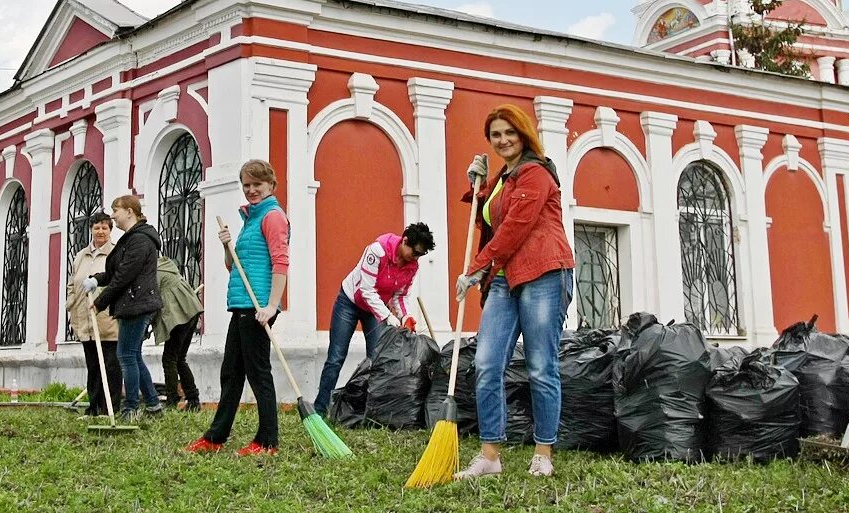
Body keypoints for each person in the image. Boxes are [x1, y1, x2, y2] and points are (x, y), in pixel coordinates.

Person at [453, 104, 575, 479]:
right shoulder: (504, 179)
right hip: (505, 279)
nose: (503, 140)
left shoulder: (536, 173)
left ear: (523, 134)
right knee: (487, 363)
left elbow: (516, 229)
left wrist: (476, 267)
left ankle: (543, 452)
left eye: (510, 132)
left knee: (541, 367)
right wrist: (478, 187)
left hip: (543, 273)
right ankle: (490, 455)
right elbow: (490, 222)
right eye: (495, 135)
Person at [187, 159, 289, 457]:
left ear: (271, 184)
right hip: (242, 305)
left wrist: (271, 306)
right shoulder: (251, 220)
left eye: (257, 184)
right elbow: (233, 266)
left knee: (259, 374)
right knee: (231, 373)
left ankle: (268, 442)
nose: (251, 190)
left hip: (258, 307)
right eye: (246, 185)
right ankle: (216, 437)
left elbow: (281, 262)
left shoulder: (272, 217)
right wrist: (226, 245)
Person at [312, 222, 435, 416]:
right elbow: (366, 290)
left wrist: (406, 316)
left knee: (376, 360)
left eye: (421, 254)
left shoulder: (412, 266)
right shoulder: (377, 251)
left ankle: (370, 411)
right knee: (336, 357)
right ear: (405, 241)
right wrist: (388, 317)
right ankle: (319, 409)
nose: (416, 257)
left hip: (375, 309)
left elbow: (400, 296)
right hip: (350, 302)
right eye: (415, 252)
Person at [87, 194, 163, 423]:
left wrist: (100, 302)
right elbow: (113, 273)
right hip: (132, 302)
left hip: (137, 304)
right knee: (134, 356)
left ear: (130, 211)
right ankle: (152, 404)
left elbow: (124, 276)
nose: (113, 216)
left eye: (116, 211)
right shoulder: (130, 239)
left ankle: (131, 407)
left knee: (126, 355)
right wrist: (96, 279)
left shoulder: (140, 240)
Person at [67, 212, 123, 417]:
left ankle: (111, 407)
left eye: (104, 228)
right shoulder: (81, 255)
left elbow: (118, 283)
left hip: (107, 320)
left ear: (110, 230)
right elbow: (72, 283)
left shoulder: (116, 254)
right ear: (91, 229)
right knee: (93, 366)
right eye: (97, 227)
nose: (100, 231)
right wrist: (70, 302)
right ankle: (94, 406)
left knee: (110, 365)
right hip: (84, 319)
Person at [153, 254, 203, 410]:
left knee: (169, 359)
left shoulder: (153, 272)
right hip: (191, 310)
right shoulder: (165, 264)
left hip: (180, 315)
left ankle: (172, 401)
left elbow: (151, 301)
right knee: (180, 358)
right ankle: (193, 400)